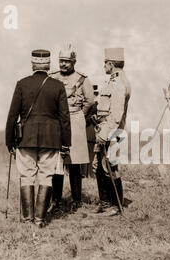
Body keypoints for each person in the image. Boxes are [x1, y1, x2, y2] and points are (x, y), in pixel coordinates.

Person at [5, 49, 71, 227]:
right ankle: (40, 220)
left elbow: (12, 115)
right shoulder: (58, 86)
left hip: (25, 138)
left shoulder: (22, 84)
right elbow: (65, 118)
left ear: (33, 64)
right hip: (51, 139)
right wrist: (66, 144)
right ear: (48, 65)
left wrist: (9, 141)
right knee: (46, 176)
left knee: (26, 176)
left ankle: (27, 220)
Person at [49, 45, 95, 213]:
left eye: (67, 62)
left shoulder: (82, 79)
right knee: (57, 162)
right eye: (61, 61)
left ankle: (77, 200)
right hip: (56, 122)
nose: (64, 65)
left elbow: (89, 101)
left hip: (75, 121)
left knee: (75, 163)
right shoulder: (52, 77)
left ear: (74, 62)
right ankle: (56, 200)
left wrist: (78, 115)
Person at [92, 48, 131, 215]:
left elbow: (116, 115)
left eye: (105, 63)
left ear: (111, 64)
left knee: (110, 167)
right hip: (104, 129)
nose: (103, 66)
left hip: (112, 132)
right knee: (99, 167)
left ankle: (116, 206)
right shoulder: (113, 81)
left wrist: (104, 134)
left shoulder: (119, 83)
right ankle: (105, 204)